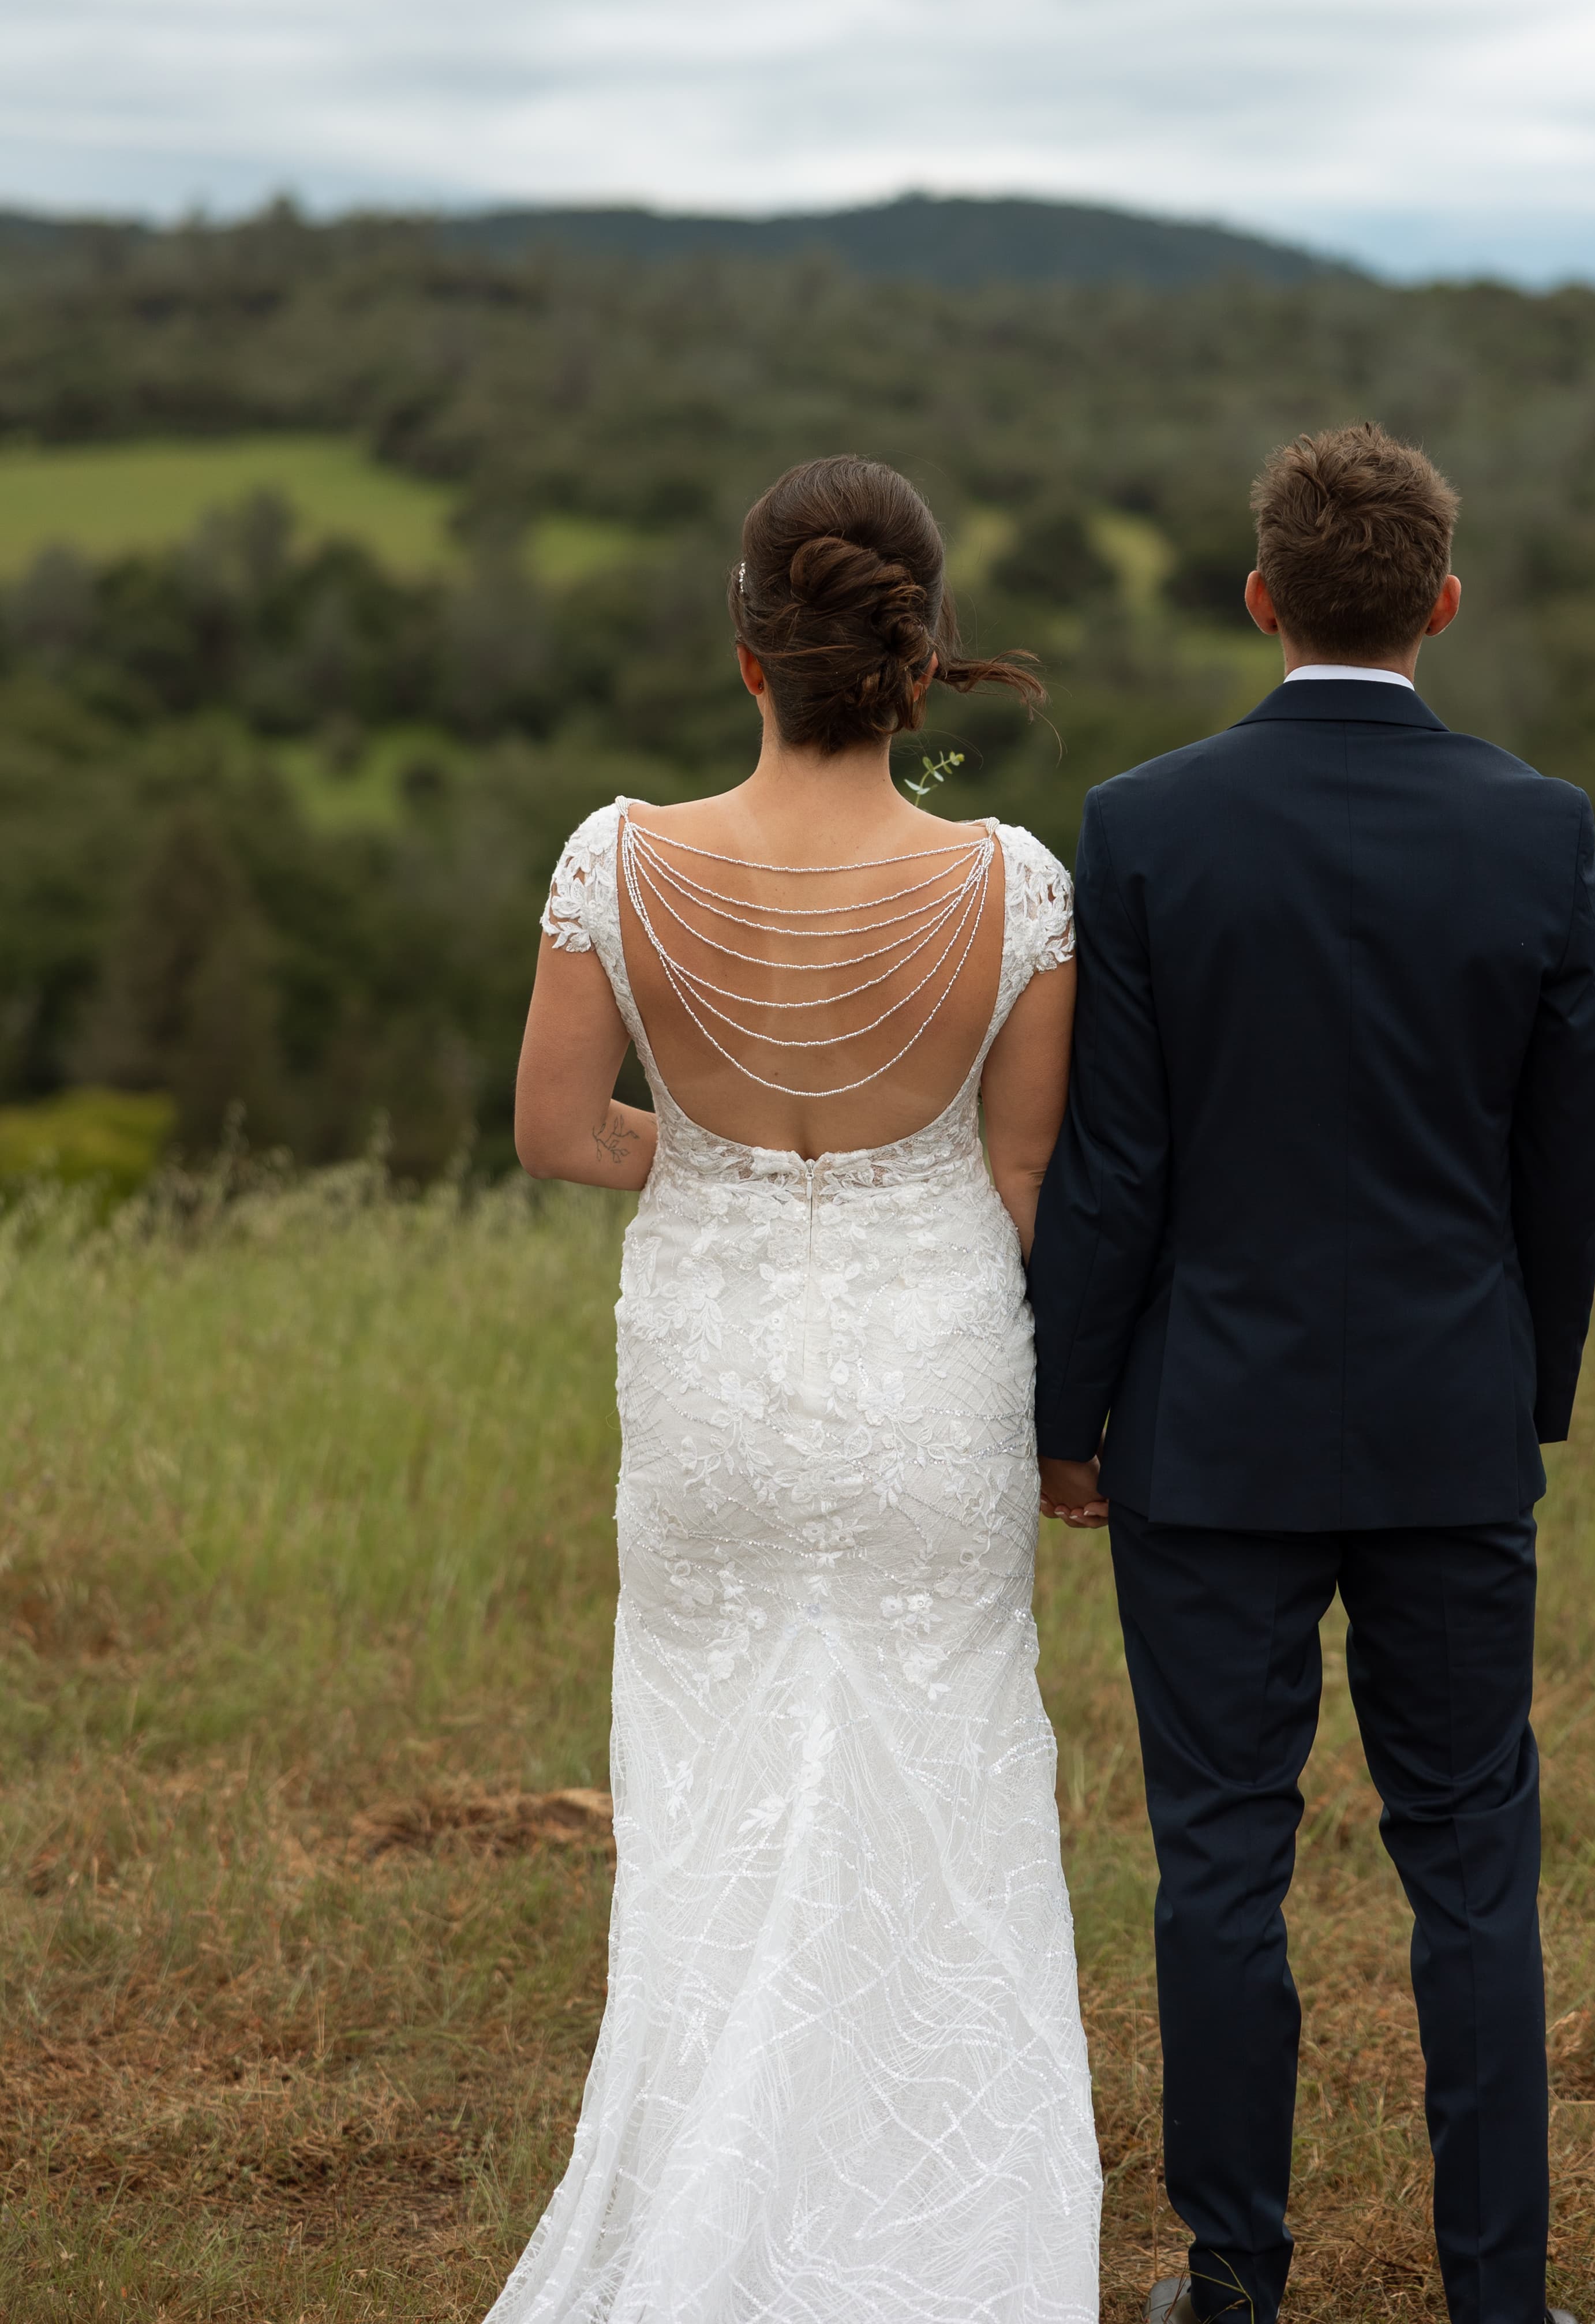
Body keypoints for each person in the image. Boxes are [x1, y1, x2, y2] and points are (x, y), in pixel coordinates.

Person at [491, 455, 1100, 2324]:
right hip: (929, 1380)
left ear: (745, 654)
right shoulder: (1016, 885)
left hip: (713, 1386)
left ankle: (711, 2209)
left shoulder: (623, 856)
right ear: (914, 674)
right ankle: (939, 2239)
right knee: (944, 1780)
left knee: (713, 1790)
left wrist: (704, 1165)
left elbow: (546, 1131)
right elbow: (1022, 1187)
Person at [1029, 421, 1595, 2324]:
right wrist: (1522, 1393)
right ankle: (1499, 2297)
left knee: (1217, 1865)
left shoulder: (1147, 824)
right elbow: (1565, 1158)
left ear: (1261, 598)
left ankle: (1236, 2283)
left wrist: (1066, 1417)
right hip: (1451, 1421)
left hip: (1206, 1435)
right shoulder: (1542, 828)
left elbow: (1118, 1165)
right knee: (1474, 1873)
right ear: (1443, 603)